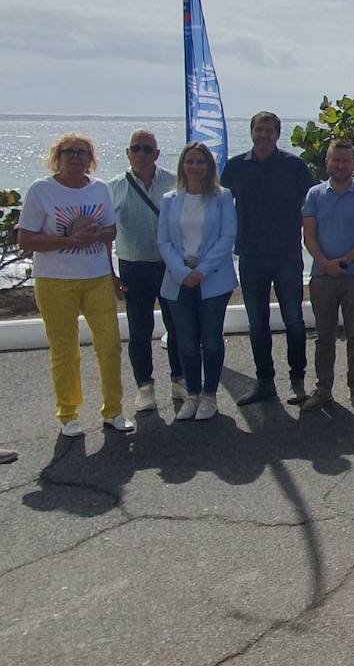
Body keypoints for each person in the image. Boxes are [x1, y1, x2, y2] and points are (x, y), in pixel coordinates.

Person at [18, 133, 132, 436]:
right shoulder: (41, 190)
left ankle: (114, 410)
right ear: (58, 157)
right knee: (65, 350)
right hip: (55, 281)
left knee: (109, 345)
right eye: (69, 152)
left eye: (82, 152)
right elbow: (26, 239)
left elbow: (110, 232)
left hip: (95, 278)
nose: (75, 157)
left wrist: (109, 268)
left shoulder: (100, 189)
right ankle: (68, 414)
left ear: (90, 158)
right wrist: (68, 240)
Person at [221, 111, 316, 407]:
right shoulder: (236, 167)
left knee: (294, 320)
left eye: (269, 130)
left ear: (278, 134)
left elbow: (311, 205)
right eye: (259, 129)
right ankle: (265, 382)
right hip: (250, 255)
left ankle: (297, 381)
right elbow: (220, 207)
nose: (263, 134)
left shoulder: (294, 165)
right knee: (257, 323)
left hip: (287, 254)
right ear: (251, 132)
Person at [157, 142, 238, 422]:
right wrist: (182, 272)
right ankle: (192, 395)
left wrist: (201, 270)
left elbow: (227, 237)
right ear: (182, 165)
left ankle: (210, 395)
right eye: (190, 161)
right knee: (186, 342)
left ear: (209, 167)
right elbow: (163, 241)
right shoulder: (170, 198)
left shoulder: (223, 197)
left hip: (213, 279)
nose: (195, 167)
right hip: (178, 281)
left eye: (200, 162)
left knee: (211, 340)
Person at [300, 140, 354, 412]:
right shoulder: (314, 194)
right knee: (324, 336)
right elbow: (308, 235)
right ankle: (323, 389)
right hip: (321, 276)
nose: (341, 165)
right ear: (327, 162)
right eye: (336, 160)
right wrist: (324, 263)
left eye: (346, 160)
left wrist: (343, 262)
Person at [110, 129, 184, 412]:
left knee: (177, 326)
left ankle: (180, 379)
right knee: (140, 329)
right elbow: (107, 232)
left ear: (157, 153)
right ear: (128, 153)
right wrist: (110, 273)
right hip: (133, 266)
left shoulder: (173, 182)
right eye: (136, 148)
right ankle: (145, 387)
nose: (141, 154)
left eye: (147, 149)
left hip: (169, 265)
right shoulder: (114, 187)